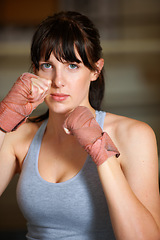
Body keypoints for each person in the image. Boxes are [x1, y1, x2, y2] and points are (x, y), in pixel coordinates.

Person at [0, 11, 159, 240]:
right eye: (47, 65)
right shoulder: (19, 136)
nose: (58, 81)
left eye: (72, 66)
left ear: (95, 69)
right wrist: (2, 123)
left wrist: (101, 150)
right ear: (35, 70)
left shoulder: (133, 135)